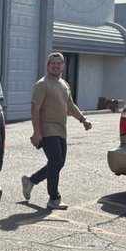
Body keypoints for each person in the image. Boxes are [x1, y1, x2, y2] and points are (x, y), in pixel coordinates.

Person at [21, 52, 90, 208]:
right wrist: (36, 132)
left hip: (61, 130)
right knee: (56, 161)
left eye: (59, 63)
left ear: (63, 66)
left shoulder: (64, 84)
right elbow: (35, 108)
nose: (56, 65)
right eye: (53, 63)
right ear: (47, 65)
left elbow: (70, 106)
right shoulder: (42, 84)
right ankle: (54, 198)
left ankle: (30, 181)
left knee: (58, 163)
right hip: (47, 128)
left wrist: (83, 120)